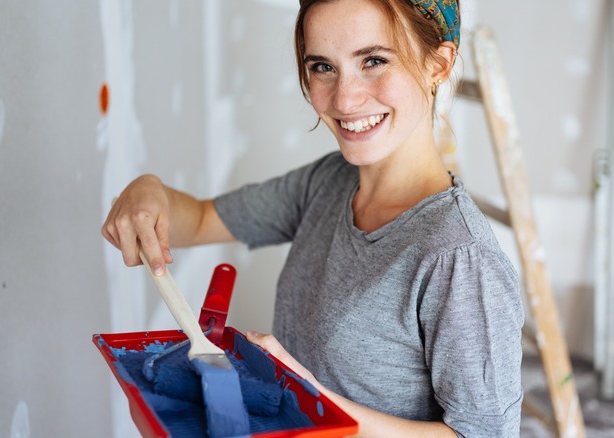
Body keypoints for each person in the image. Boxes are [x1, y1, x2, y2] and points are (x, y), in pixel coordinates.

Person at [101, 0, 524, 436]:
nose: (344, 98)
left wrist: (313, 398)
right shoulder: (329, 182)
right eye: (323, 67)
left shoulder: (458, 256)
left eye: (373, 61)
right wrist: (148, 190)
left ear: (439, 64)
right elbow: (203, 218)